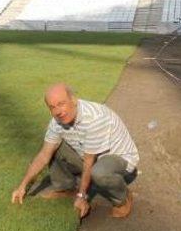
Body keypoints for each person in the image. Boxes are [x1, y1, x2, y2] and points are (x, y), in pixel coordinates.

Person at [11, 83, 139, 219]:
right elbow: (44, 155)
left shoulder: (94, 118)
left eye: (61, 103)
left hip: (120, 159)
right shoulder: (57, 122)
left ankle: (122, 198)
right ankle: (66, 187)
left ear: (74, 100)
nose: (58, 111)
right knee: (54, 146)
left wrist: (82, 196)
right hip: (91, 157)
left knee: (99, 172)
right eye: (52, 107)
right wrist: (22, 186)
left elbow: (89, 162)